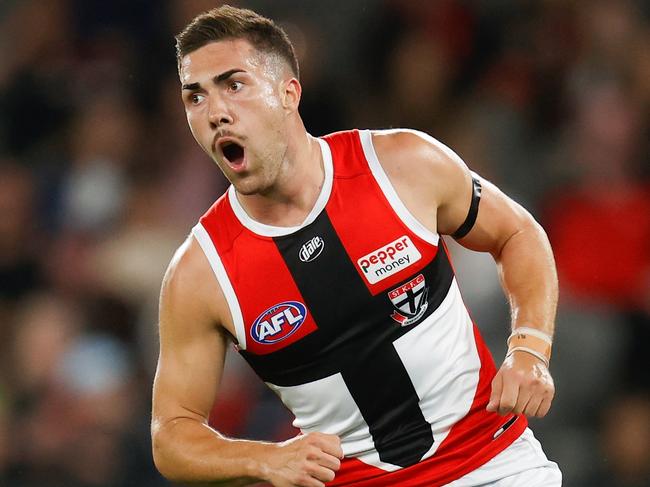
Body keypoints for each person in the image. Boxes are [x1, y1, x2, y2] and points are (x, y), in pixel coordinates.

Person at [151, 5, 562, 486]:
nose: (216, 112)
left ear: (289, 93)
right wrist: (261, 459)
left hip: (496, 466)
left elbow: (517, 233)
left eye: (233, 85)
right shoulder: (200, 273)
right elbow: (171, 434)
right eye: (194, 97)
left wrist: (530, 348)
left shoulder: (401, 166)